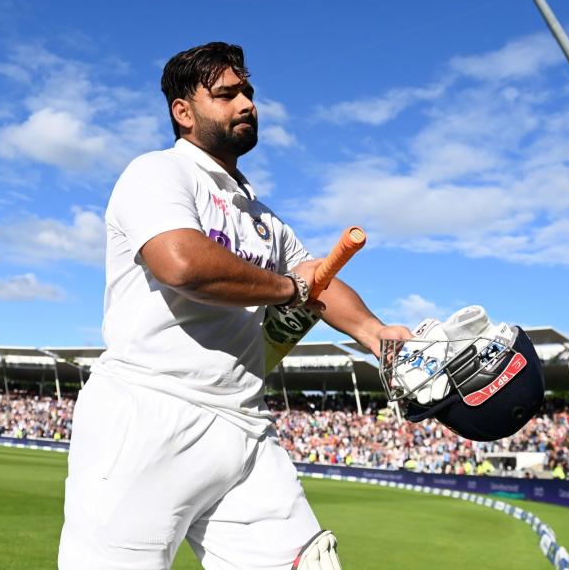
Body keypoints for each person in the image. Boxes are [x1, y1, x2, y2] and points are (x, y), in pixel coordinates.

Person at [58, 42, 410, 570]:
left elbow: (319, 278)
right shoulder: (157, 174)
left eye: (248, 91)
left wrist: (376, 334)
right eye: (226, 94)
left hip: (244, 425)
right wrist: (288, 288)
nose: (246, 103)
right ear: (183, 112)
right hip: (148, 415)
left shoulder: (265, 219)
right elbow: (182, 264)